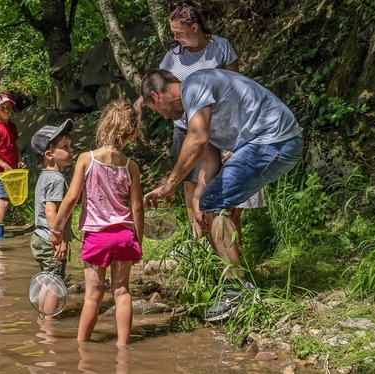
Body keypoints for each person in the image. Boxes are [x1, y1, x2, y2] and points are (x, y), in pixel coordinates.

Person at [141, 68, 303, 321]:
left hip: (274, 141)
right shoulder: (192, 110)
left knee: (214, 203)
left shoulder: (194, 86)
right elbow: (210, 160)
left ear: (156, 95)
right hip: (267, 143)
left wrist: (169, 185)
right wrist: (198, 199)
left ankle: (237, 291)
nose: (162, 116)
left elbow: (197, 139)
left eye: (155, 110)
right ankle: (234, 285)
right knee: (210, 203)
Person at [134, 1, 264, 239]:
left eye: (178, 32)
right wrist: (139, 103)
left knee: (224, 185)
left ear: (194, 27)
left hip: (219, 127)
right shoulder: (173, 56)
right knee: (190, 184)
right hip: (185, 129)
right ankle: (199, 241)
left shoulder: (221, 47)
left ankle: (229, 241)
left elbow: (236, 86)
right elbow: (157, 85)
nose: (175, 37)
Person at [51, 100, 144, 347]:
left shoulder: (86, 159)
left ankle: (83, 347)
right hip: (124, 236)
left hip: (97, 238)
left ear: (103, 125)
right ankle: (123, 346)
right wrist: (138, 242)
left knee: (93, 296)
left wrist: (57, 229)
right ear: (131, 134)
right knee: (122, 292)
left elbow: (71, 199)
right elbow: (137, 207)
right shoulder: (130, 166)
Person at [28, 119, 75, 317]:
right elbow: (51, 212)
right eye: (65, 147)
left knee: (47, 280)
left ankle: (42, 318)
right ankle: (48, 325)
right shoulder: (56, 179)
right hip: (50, 239)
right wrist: (58, 239)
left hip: (40, 236)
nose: (71, 150)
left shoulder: (45, 175)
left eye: (70, 145)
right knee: (55, 283)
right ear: (49, 155)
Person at [0, 92, 27, 239]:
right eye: (3, 108)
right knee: (3, 202)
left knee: (5, 203)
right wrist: (3, 164)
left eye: (9, 108)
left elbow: (15, 146)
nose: (7, 111)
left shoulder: (12, 127)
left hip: (10, 170)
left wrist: (19, 160)